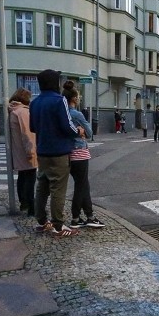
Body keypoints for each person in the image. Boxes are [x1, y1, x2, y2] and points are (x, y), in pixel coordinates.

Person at [29, 69, 83, 237]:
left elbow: (32, 128)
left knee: (42, 187)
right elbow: (67, 126)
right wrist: (78, 131)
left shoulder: (34, 102)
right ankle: (58, 226)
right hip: (59, 152)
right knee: (58, 189)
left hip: (42, 151)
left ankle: (42, 221)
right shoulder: (59, 101)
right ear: (55, 83)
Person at [62, 81, 105, 228]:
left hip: (67, 152)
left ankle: (90, 215)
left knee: (83, 184)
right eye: (78, 96)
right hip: (79, 152)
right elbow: (90, 132)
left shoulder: (62, 113)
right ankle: (75, 217)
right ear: (74, 98)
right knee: (81, 186)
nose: (79, 98)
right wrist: (81, 130)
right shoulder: (76, 114)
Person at [7, 88, 37, 216]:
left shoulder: (13, 111)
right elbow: (27, 133)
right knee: (30, 178)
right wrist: (31, 151)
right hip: (25, 151)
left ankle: (24, 202)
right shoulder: (22, 112)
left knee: (23, 177)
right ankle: (31, 207)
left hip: (19, 151)